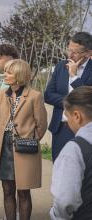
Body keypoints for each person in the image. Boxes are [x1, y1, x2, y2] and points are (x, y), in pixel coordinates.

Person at [0, 59, 47, 220]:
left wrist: (30, 140)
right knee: (7, 189)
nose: (5, 75)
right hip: (4, 146)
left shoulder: (35, 96)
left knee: (23, 192)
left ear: (19, 75)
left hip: (25, 148)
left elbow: (41, 125)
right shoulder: (2, 93)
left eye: (9, 72)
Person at [44, 31, 92, 162]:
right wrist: (70, 102)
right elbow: (48, 95)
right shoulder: (61, 66)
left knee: (83, 170)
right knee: (59, 165)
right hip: (61, 127)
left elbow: (89, 98)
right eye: (69, 50)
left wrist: (74, 77)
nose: (70, 55)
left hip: (84, 128)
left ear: (88, 53)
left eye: (75, 52)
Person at [50, 86, 92, 220]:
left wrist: (56, 215)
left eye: (66, 116)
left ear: (77, 116)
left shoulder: (74, 150)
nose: (67, 122)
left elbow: (65, 200)